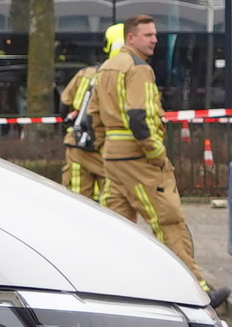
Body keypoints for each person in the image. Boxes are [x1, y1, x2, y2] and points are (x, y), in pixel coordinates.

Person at [63, 15, 204, 279]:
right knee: (168, 219)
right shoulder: (139, 68)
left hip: (113, 160)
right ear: (131, 38)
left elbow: (92, 116)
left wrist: (108, 147)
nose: (154, 40)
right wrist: (156, 154)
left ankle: (114, 282)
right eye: (148, 35)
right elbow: (138, 116)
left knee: (116, 226)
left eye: (154, 34)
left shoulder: (105, 68)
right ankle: (195, 285)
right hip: (139, 158)